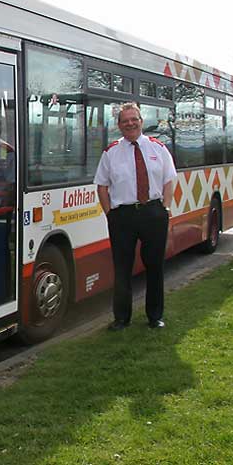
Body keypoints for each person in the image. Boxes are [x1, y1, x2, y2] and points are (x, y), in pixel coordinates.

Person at [94, 102, 176, 330]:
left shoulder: (158, 148)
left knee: (155, 267)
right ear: (119, 125)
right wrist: (110, 213)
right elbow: (101, 185)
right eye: (125, 121)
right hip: (123, 216)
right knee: (122, 269)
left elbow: (169, 180)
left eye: (134, 119)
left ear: (141, 121)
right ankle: (121, 318)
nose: (130, 123)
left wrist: (166, 209)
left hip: (153, 213)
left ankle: (155, 316)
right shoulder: (111, 152)